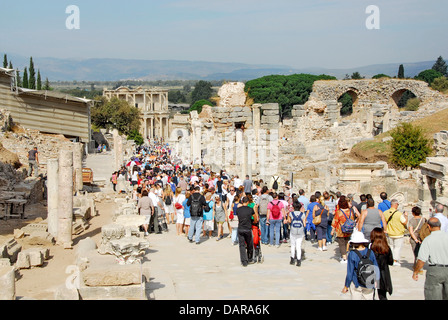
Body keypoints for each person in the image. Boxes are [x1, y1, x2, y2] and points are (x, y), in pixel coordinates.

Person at [412, 217, 448, 300]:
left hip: (435, 271)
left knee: (433, 296)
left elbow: (421, 260)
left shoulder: (428, 240)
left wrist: (416, 272)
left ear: (429, 226)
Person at [342, 231, 380, 300]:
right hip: (369, 282)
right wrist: (376, 280)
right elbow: (376, 267)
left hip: (356, 282)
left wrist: (346, 286)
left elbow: (350, 272)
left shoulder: (352, 254)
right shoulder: (370, 252)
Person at [370, 227, 393, 300]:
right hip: (383, 274)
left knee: (370, 295)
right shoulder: (387, 248)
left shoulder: (370, 248)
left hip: (372, 273)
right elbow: (391, 262)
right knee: (382, 296)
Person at [383, 199, 408, 266]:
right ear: (396, 204)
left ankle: (390, 259)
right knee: (397, 247)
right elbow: (404, 222)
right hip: (398, 233)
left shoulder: (385, 212)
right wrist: (406, 216)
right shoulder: (399, 214)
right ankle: (394, 260)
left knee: (390, 246)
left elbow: (384, 222)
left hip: (389, 232)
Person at [236, 196, 258, 267]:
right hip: (248, 228)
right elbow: (255, 217)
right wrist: (254, 222)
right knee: (249, 244)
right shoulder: (250, 209)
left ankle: (243, 261)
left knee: (241, 245)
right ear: (248, 202)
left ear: (242, 202)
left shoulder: (238, 210)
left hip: (240, 228)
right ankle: (249, 258)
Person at [331, 195, 353, 263]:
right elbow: (352, 219)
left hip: (340, 230)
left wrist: (332, 230)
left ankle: (344, 257)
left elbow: (335, 221)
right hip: (349, 229)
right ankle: (346, 254)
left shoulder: (339, 212)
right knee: (346, 242)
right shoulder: (350, 211)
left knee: (341, 243)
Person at [408, 206, 426, 271]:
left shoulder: (411, 220)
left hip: (414, 238)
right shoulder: (423, 220)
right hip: (422, 237)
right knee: (421, 253)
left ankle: (418, 267)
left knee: (416, 253)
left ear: (413, 213)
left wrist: (415, 239)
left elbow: (411, 231)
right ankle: (417, 265)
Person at [288, 200, 306, 266]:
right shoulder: (303, 214)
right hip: (300, 232)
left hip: (293, 231)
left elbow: (289, 221)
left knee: (293, 245)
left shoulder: (291, 214)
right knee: (299, 246)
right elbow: (304, 224)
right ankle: (299, 260)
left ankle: (292, 259)